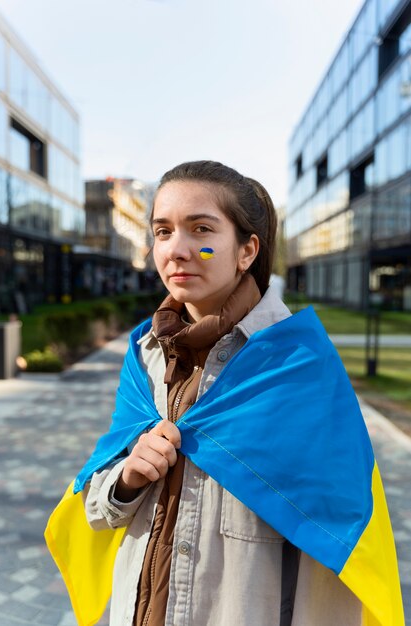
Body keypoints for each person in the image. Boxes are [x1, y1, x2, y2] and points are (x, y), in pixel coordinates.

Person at [57, 160, 402, 626]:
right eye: (162, 231)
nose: (177, 250)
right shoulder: (145, 356)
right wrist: (126, 480)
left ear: (245, 251)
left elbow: (336, 546)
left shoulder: (299, 366)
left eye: (201, 230)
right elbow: (97, 511)